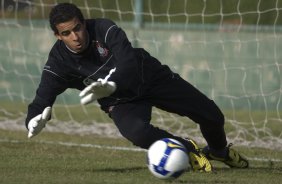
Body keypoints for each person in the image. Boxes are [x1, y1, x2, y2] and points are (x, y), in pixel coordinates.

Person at [25, 2, 249, 172]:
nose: (75, 37)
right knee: (137, 133)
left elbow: (128, 62)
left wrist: (112, 84)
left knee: (212, 115)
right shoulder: (58, 63)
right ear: (57, 35)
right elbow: (40, 101)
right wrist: (33, 120)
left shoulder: (104, 28)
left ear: (85, 22)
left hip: (150, 77)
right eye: (66, 33)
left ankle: (219, 151)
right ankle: (187, 149)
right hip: (122, 101)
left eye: (77, 28)